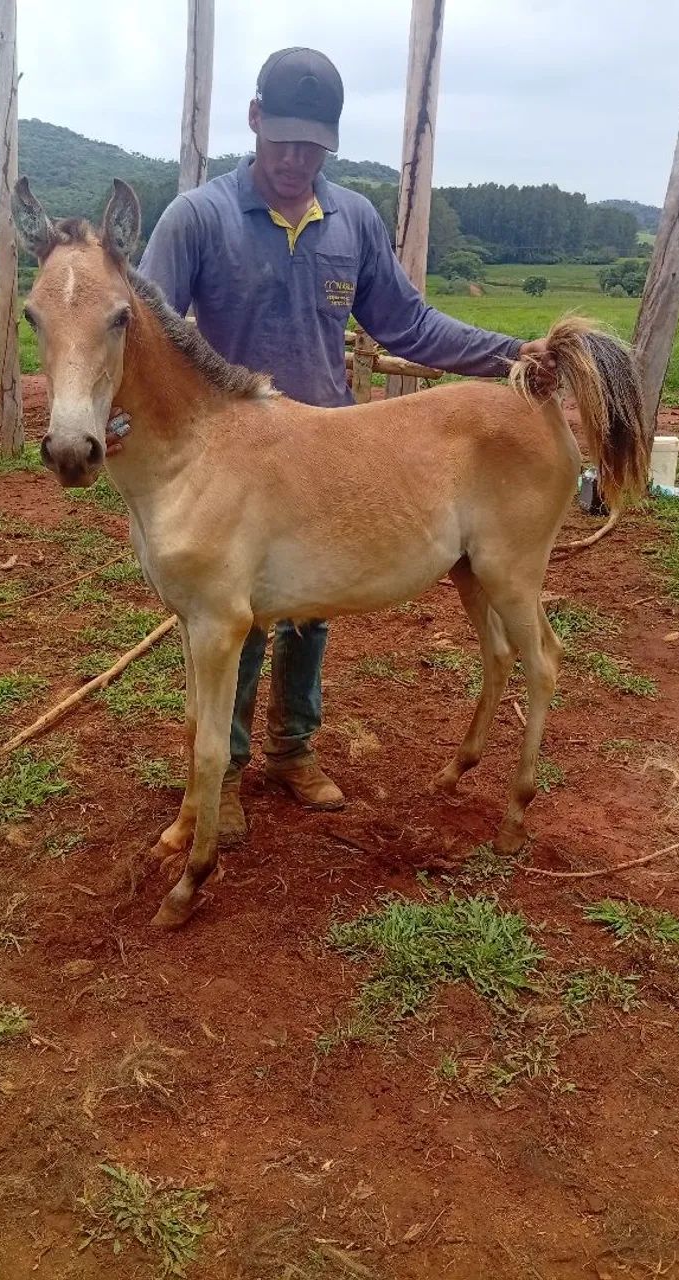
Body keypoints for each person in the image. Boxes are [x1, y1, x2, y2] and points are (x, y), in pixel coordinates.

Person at [107, 47, 555, 842]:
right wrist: (106, 421)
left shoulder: (352, 221)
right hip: (232, 466)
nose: (295, 161)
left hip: (331, 453)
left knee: (311, 616)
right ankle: (226, 771)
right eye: (283, 141)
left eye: (312, 147)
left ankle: (292, 749)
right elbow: (135, 337)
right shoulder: (199, 218)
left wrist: (506, 353)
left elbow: (408, 324)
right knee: (234, 624)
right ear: (254, 120)